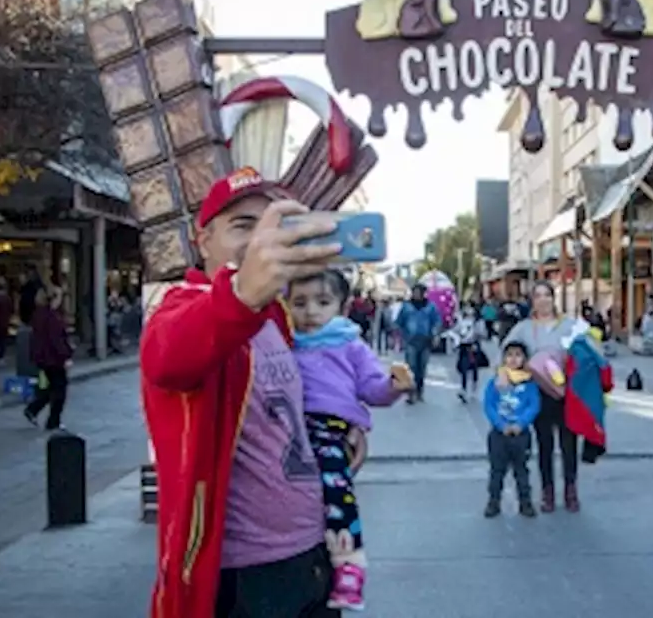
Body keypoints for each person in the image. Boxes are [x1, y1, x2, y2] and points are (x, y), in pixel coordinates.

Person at [140, 167, 364, 618]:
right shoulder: (183, 307)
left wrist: (340, 432)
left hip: (314, 552)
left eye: (272, 226)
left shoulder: (277, 318)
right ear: (204, 242)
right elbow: (167, 358)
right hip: (244, 576)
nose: (261, 239)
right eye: (244, 225)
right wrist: (241, 292)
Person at [289, 269, 412, 611]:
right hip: (291, 428)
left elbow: (371, 387)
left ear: (342, 307)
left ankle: (349, 564)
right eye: (300, 303)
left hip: (331, 427)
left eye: (322, 302)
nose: (311, 311)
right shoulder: (284, 340)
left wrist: (392, 387)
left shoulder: (350, 344)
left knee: (335, 486)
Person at [503, 281, 580, 513]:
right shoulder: (523, 328)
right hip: (538, 393)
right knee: (544, 444)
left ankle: (570, 490)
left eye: (547, 295)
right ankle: (548, 492)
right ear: (533, 301)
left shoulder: (570, 325)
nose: (543, 300)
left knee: (569, 444)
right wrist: (520, 371)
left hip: (568, 393)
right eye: (538, 296)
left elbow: (588, 350)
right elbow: (507, 353)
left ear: (553, 298)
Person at [483, 340, 541, 518]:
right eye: (509, 355)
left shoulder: (529, 383)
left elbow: (534, 405)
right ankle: (494, 502)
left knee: (521, 470)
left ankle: (525, 502)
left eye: (518, 355)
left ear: (524, 359)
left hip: (520, 434)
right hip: (499, 434)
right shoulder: (496, 381)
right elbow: (489, 405)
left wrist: (521, 424)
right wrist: (501, 425)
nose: (513, 359)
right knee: (496, 470)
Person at [24, 287, 72, 430]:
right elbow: (56, 340)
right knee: (59, 389)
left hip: (42, 358)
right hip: (53, 359)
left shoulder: (38, 315)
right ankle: (53, 421)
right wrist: (66, 356)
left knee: (49, 387)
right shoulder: (52, 318)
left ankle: (33, 409)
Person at [396, 284, 441, 404]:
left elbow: (436, 321)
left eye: (418, 292)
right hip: (410, 341)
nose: (416, 294)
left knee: (422, 368)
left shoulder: (431, 307)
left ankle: (420, 390)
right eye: (414, 292)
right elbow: (399, 322)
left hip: (426, 341)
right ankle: (411, 393)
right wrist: (399, 336)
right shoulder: (406, 307)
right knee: (411, 368)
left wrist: (435, 335)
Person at [453, 304, 487, 402]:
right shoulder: (461, 320)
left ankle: (473, 388)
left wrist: (477, 333)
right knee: (463, 367)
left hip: (473, 346)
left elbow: (483, 334)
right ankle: (463, 389)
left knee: (473, 367)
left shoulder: (478, 321)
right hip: (463, 346)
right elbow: (456, 330)